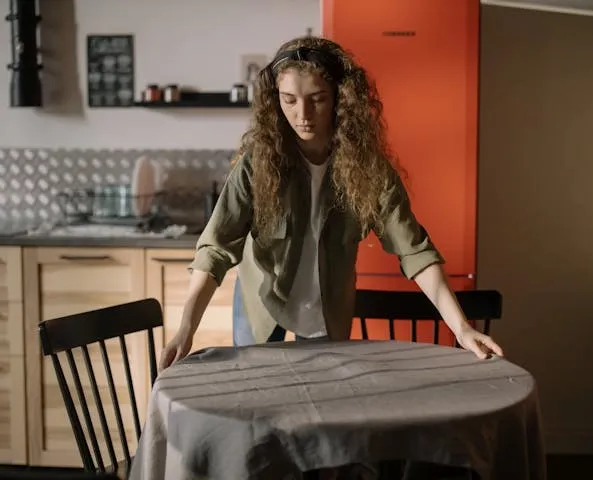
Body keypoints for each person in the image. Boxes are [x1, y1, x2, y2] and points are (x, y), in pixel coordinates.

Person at [159, 35, 503, 371]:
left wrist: (462, 329)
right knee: (262, 406)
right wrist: (186, 329)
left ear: (340, 98)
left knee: (319, 408)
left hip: (326, 311)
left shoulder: (368, 170)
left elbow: (414, 251)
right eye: (289, 100)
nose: (302, 113)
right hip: (261, 307)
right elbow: (215, 250)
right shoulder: (257, 165)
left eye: (317, 98)